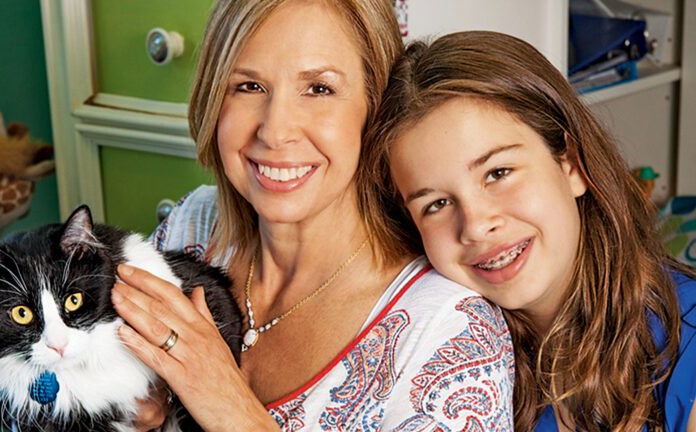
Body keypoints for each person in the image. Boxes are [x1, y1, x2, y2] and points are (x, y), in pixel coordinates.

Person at [110, 2, 515, 431]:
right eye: (248, 86)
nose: (275, 129)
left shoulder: (449, 335)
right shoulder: (192, 225)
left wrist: (228, 404)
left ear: (376, 109)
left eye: (319, 88)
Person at [365, 30, 696, 431]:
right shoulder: (454, 356)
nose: (476, 225)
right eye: (435, 204)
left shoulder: (686, 343)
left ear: (572, 165)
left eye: (498, 173)